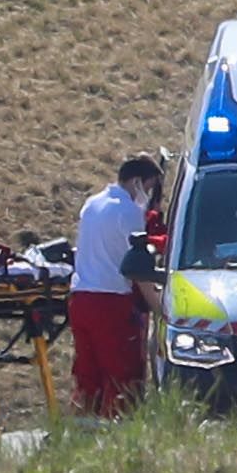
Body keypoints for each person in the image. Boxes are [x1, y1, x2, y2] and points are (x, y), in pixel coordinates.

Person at [70, 153, 167, 416]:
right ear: (137, 182)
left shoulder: (91, 204)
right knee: (121, 375)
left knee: (87, 374)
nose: (148, 194)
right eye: (148, 187)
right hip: (111, 302)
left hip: (80, 299)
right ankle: (118, 432)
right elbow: (137, 268)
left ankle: (82, 428)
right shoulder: (129, 212)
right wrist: (160, 308)